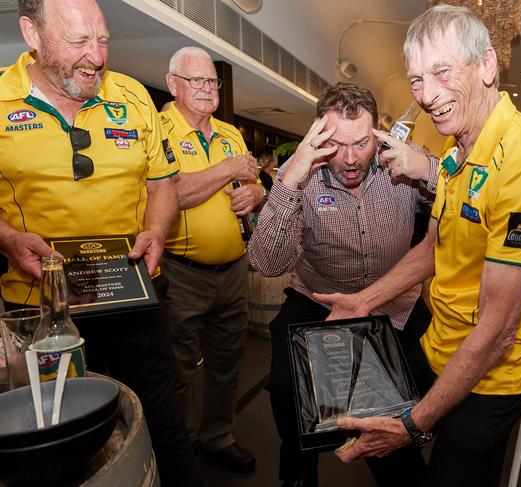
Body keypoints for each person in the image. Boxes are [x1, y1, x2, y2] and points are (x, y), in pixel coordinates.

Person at [314, 5, 521, 486]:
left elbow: (499, 331)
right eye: (416, 79)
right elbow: (435, 246)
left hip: (494, 375)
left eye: (441, 71)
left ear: (488, 66)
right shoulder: (459, 154)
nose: (428, 95)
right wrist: (363, 300)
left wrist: (414, 424)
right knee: (365, 421)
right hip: (441, 342)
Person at [0, 2, 201, 486]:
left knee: (164, 425)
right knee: (58, 443)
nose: (97, 56)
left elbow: (163, 184)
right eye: (78, 42)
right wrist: (7, 239)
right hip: (38, 311)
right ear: (32, 33)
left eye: (104, 39)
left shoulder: (131, 96)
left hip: (134, 297)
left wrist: (156, 230)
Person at [248, 82, 437, 487]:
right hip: (320, 299)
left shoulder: (403, 165)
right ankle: (299, 476)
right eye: (338, 144)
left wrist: (431, 171)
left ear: (379, 133)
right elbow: (266, 263)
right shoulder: (300, 175)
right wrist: (288, 185)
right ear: (318, 135)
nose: (350, 159)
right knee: (288, 391)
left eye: (361, 143)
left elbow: (464, 201)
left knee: (420, 394)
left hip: (394, 302)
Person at [159, 46, 263, 473]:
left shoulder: (230, 133)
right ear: (173, 84)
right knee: (179, 369)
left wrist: (256, 193)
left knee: (227, 361)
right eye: (196, 80)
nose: (207, 89)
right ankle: (178, 449)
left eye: (212, 82)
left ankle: (218, 436)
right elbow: (172, 193)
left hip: (234, 271)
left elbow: (251, 182)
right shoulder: (158, 129)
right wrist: (227, 169)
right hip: (181, 273)